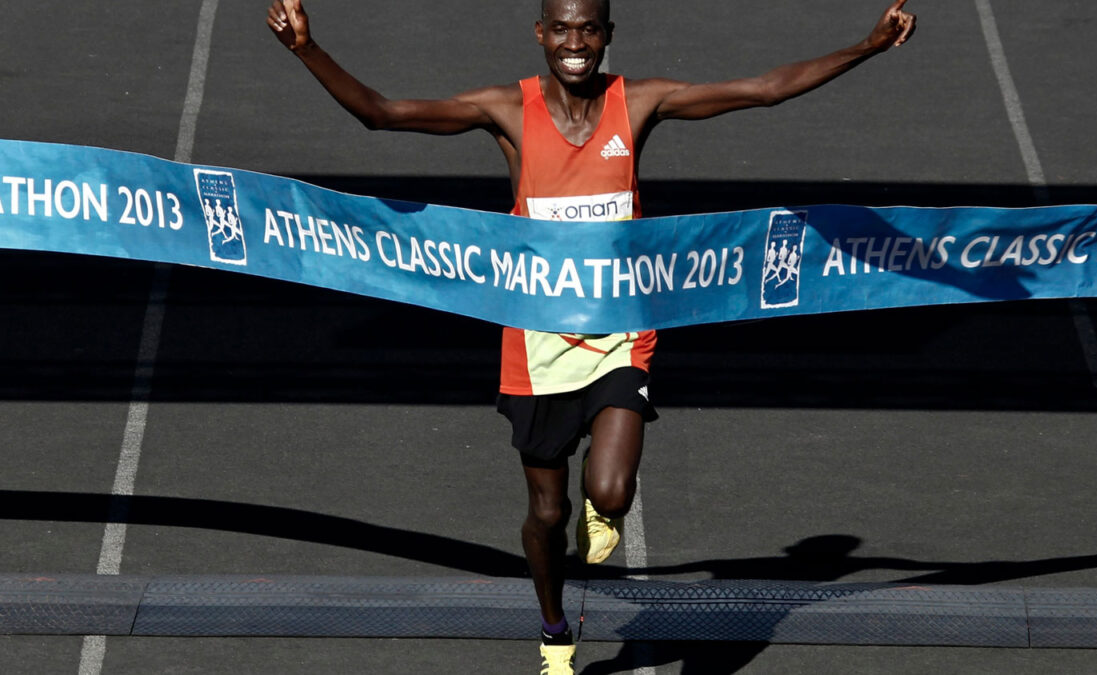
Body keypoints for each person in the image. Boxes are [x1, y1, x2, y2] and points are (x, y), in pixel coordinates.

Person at [267, 1, 915, 672]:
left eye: (589, 29)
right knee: (546, 514)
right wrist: (306, 50)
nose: (575, 43)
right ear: (541, 33)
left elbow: (764, 91)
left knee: (609, 490)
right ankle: (554, 632)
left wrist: (865, 45)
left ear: (607, 35)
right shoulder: (507, 110)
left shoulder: (636, 104)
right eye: (563, 29)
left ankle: (600, 513)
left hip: (619, 329)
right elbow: (382, 113)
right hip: (537, 338)